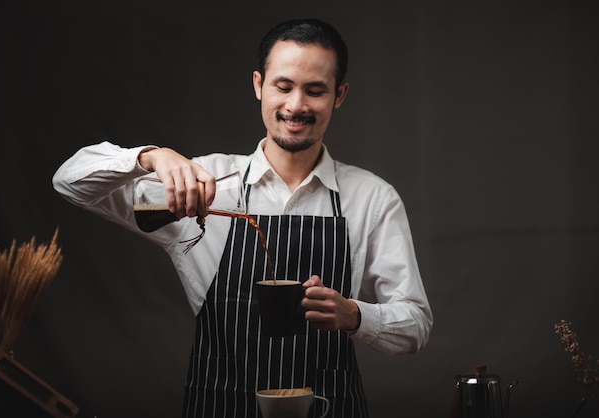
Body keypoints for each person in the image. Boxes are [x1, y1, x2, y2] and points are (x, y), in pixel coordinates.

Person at [53, 18, 432, 418]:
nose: (296, 105)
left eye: (315, 90)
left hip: (328, 409)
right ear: (258, 85)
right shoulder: (200, 184)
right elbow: (68, 183)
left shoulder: (371, 197)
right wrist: (149, 156)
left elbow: (415, 325)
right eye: (283, 87)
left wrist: (355, 315)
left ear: (339, 95)